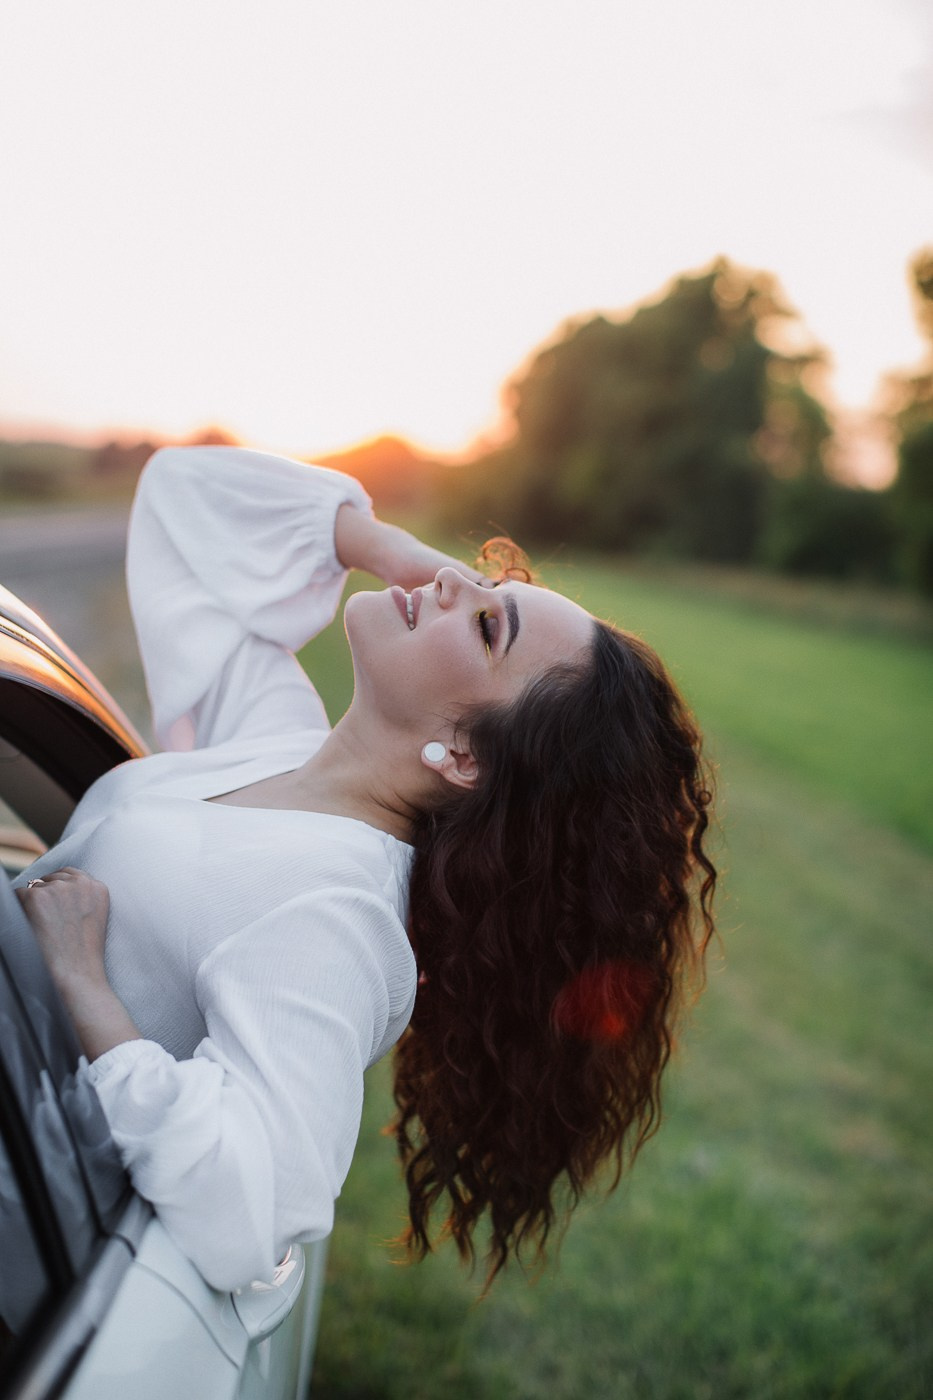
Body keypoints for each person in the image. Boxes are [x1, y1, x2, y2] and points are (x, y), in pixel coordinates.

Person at [13, 445, 716, 1292]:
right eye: (487, 583)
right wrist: (396, 555)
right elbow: (182, 500)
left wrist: (86, 984)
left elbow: (250, 1216)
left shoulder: (334, 915)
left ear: (464, 754)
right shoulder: (275, 741)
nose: (457, 583)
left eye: (491, 626)